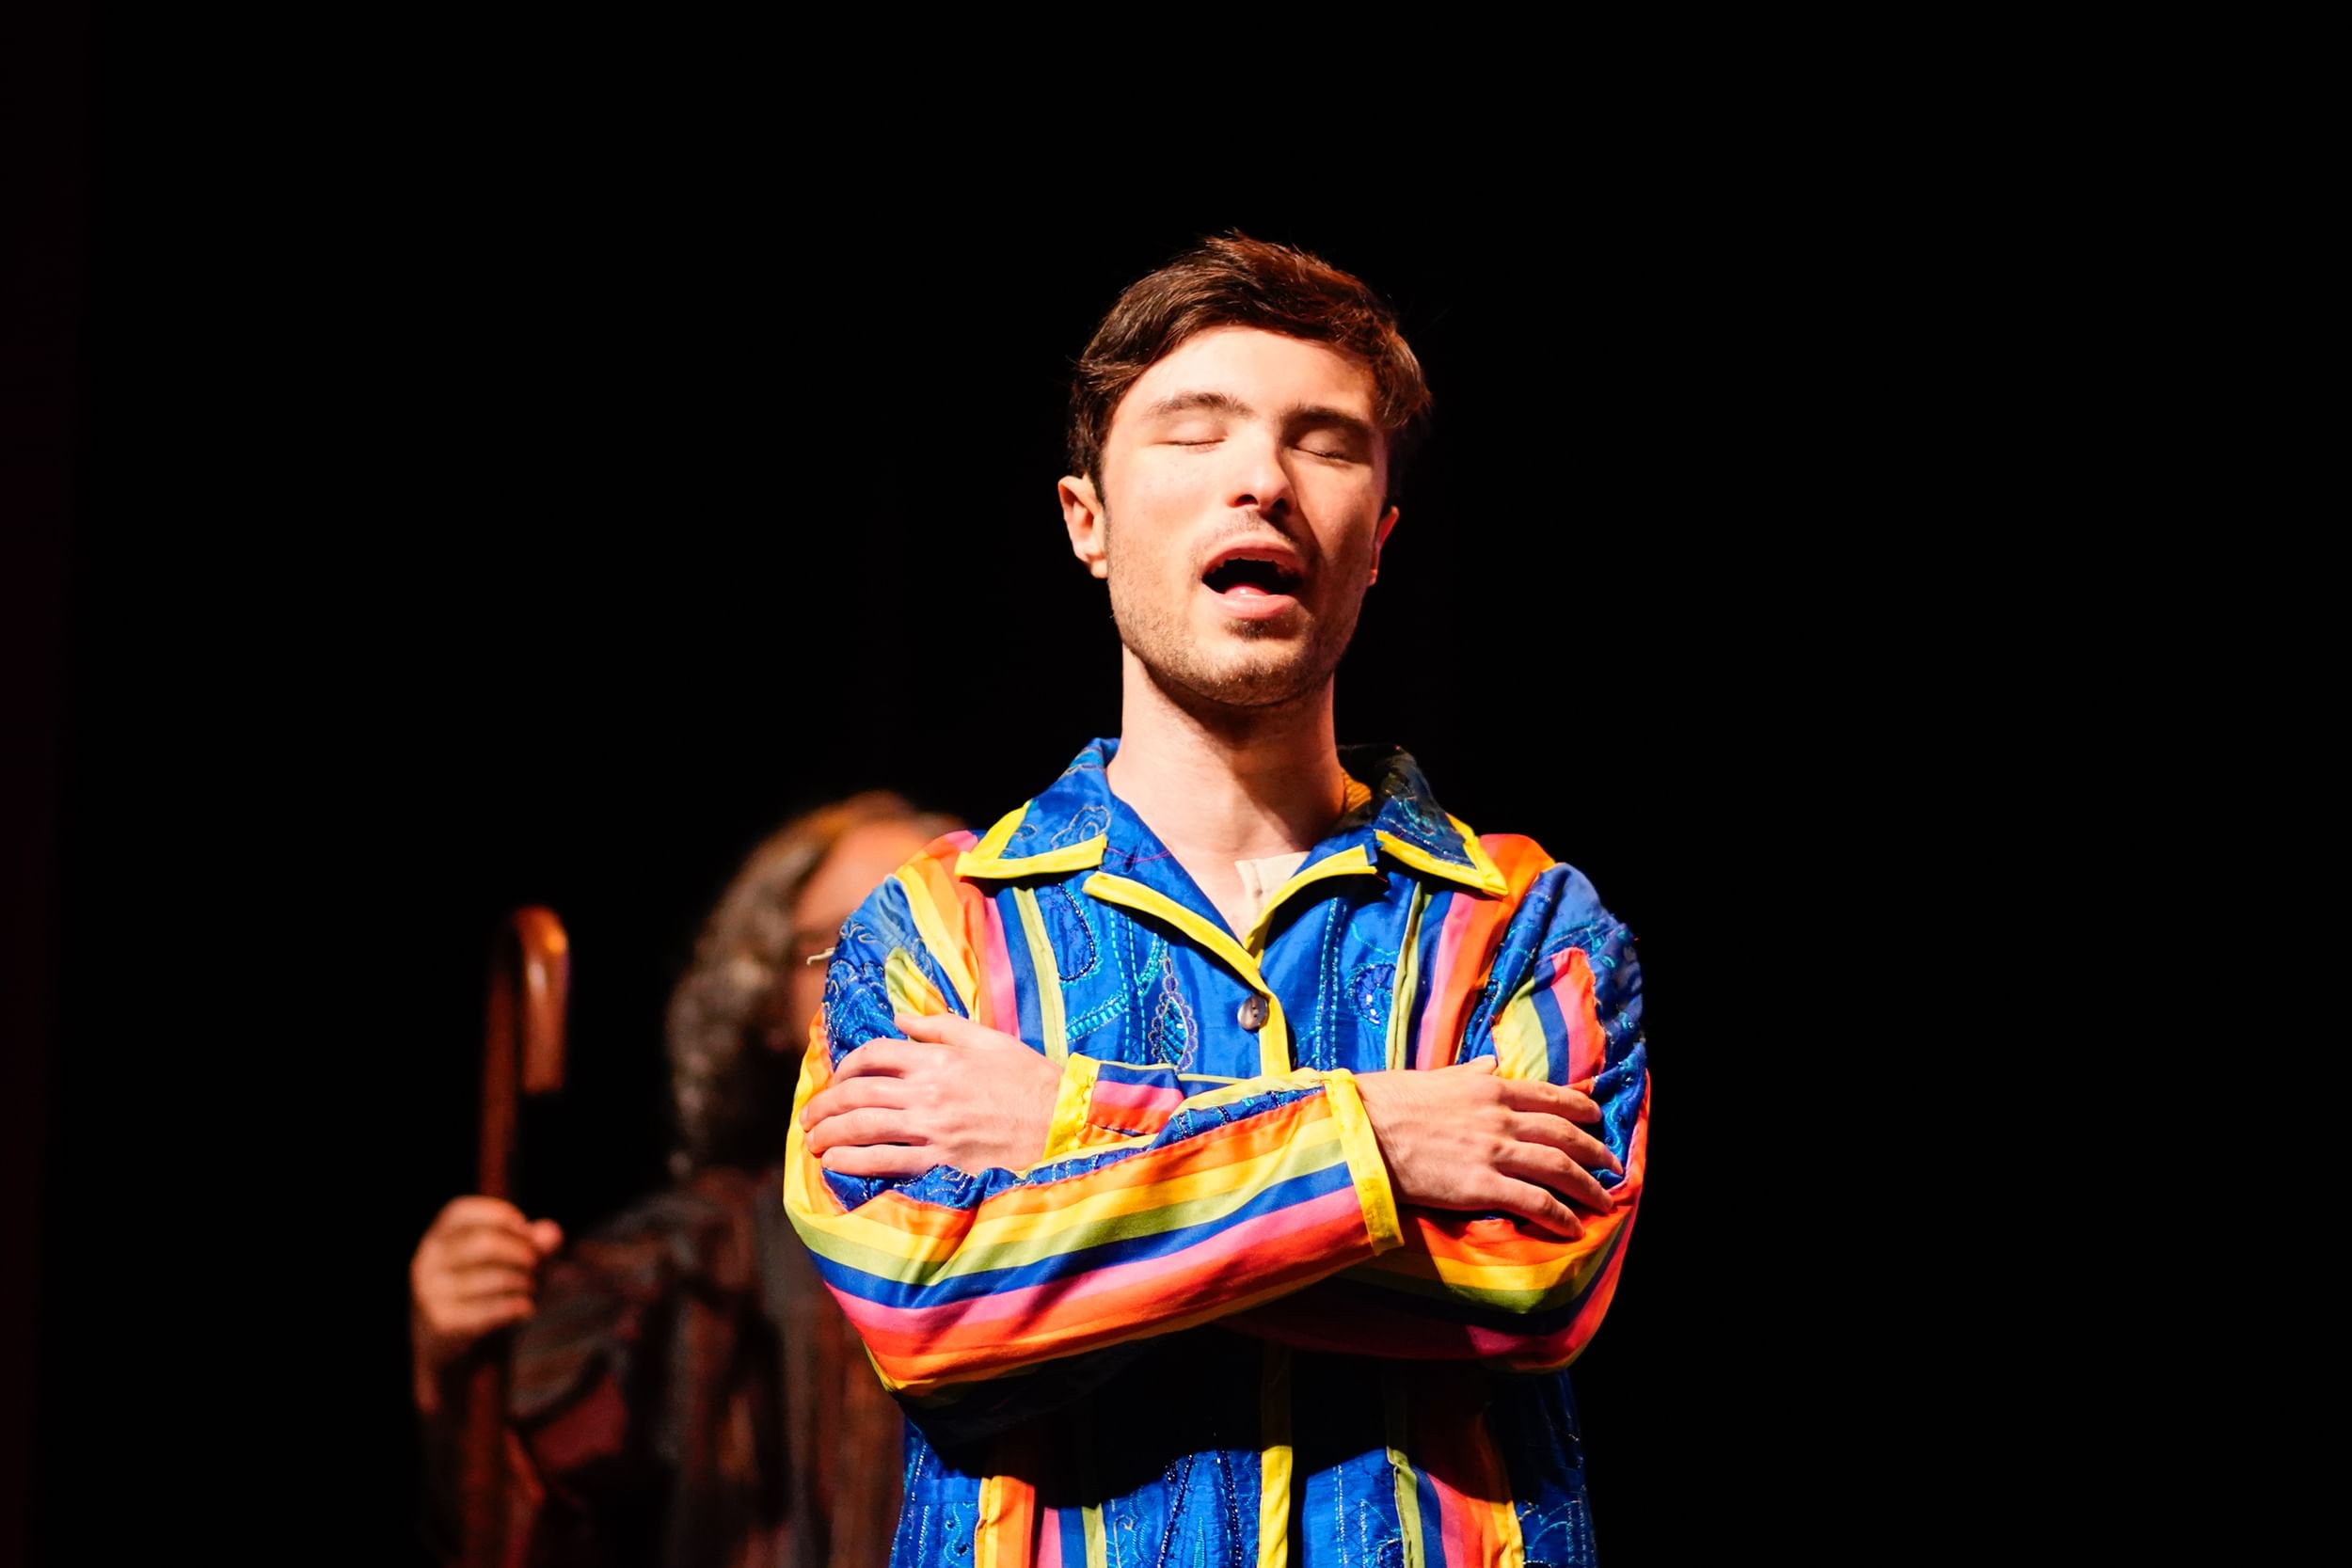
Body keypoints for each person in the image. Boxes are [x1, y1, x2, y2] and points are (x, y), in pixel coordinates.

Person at [785, 236, 1651, 1567]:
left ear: (1381, 544)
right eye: (1197, 433)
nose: (1262, 480)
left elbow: (1530, 1282)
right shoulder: (929, 928)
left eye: (1327, 443)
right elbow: (931, 1299)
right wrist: (1385, 1135)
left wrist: (1068, 1124)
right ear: (1088, 520)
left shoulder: (1531, 923)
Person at [410, 792, 961, 1568]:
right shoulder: (690, 1260)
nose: (897, 977)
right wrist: (452, 1359)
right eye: (850, 943)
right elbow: (515, 1520)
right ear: (770, 1002)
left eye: (940, 937)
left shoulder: (1077, 1223)